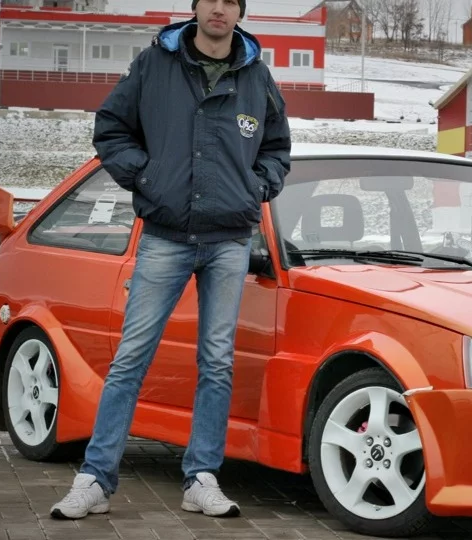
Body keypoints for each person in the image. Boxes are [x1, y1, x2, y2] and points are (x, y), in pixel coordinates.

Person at [49, 0, 291, 520]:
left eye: (230, 1)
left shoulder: (257, 75)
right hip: (165, 236)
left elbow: (276, 147)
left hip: (229, 240)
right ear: (196, 7)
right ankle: (94, 479)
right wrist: (147, 176)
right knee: (131, 358)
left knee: (217, 363)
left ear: (240, 11)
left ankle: (201, 478)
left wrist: (256, 186)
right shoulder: (155, 64)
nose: (219, 9)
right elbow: (111, 127)